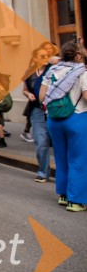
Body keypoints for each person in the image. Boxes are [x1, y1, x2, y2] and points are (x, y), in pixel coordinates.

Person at [39, 40, 87, 212]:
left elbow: (41, 95)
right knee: (78, 159)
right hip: (77, 118)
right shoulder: (82, 72)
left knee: (61, 158)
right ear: (78, 55)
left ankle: (63, 195)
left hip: (54, 119)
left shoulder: (53, 69)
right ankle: (76, 200)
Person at [23, 47, 53, 183]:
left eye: (47, 55)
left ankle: (66, 172)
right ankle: (43, 171)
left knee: (57, 142)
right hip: (36, 110)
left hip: (53, 109)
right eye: (42, 56)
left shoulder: (53, 69)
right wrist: (28, 94)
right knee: (40, 141)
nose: (45, 58)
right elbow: (24, 89)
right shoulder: (29, 73)